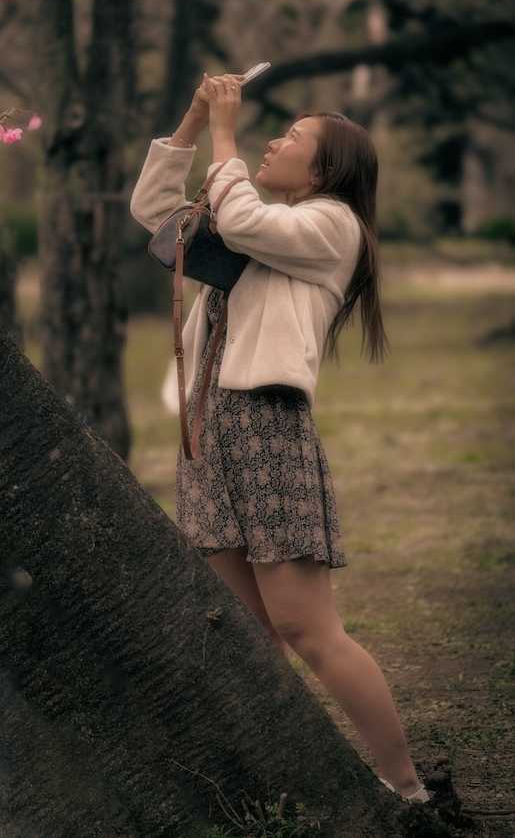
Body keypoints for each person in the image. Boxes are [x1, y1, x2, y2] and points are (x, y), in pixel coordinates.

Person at [130, 72, 429, 804]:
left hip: (264, 429)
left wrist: (226, 136)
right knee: (243, 630)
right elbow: (153, 212)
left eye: (291, 137)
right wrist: (195, 119)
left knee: (305, 626)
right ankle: (276, 776)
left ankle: (407, 785)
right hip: (205, 429)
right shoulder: (257, 220)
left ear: (325, 170)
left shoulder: (330, 228)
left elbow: (246, 224)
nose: (272, 139)